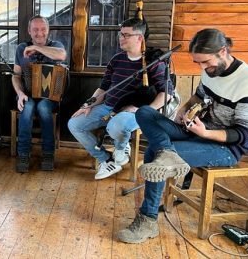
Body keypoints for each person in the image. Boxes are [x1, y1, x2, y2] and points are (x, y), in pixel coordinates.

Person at [117, 28, 248, 244]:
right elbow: (199, 96)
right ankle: (166, 152)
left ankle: (147, 220)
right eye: (199, 64)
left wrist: (206, 132)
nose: (203, 68)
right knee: (144, 112)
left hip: (226, 148)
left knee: (154, 153)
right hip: (196, 130)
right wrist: (184, 109)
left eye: (206, 63)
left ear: (222, 51)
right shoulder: (211, 71)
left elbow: (242, 135)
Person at [67, 17, 173, 180]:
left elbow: (166, 94)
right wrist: (88, 104)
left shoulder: (153, 62)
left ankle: (121, 147)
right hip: (108, 106)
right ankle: (106, 160)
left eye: (126, 35)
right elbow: (103, 88)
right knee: (75, 124)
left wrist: (144, 110)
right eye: (120, 34)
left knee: (116, 125)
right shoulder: (116, 60)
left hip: (135, 111)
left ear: (139, 38)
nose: (121, 38)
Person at [11, 15, 67, 172]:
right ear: (29, 31)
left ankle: (48, 153)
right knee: (27, 108)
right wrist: (20, 93)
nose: (39, 33)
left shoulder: (56, 45)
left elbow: (61, 55)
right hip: (26, 94)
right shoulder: (21, 48)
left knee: (43, 107)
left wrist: (36, 48)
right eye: (35, 29)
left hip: (50, 96)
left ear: (48, 30)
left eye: (43, 29)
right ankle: (23, 153)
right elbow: (16, 76)